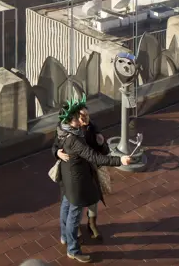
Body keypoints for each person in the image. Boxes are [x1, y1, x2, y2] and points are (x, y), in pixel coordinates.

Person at [53, 95, 132, 263]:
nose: (79, 120)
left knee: (66, 208)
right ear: (70, 119)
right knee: (74, 217)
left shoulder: (63, 129)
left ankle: (65, 237)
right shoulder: (74, 140)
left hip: (68, 178)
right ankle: (73, 250)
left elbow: (98, 148)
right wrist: (120, 160)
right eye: (76, 117)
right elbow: (94, 157)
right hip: (77, 182)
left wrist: (102, 143)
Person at [55, 107, 109, 240]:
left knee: (92, 199)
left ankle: (91, 224)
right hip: (72, 173)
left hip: (89, 169)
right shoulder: (66, 131)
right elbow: (55, 146)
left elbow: (102, 151)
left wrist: (101, 143)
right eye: (81, 116)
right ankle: (72, 231)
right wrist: (57, 153)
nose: (85, 119)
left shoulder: (92, 128)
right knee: (71, 204)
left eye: (87, 115)